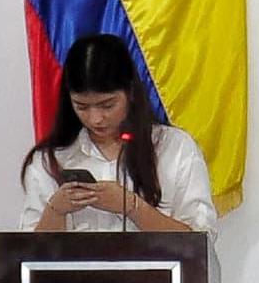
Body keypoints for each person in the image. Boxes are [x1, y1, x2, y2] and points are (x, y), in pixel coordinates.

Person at [16, 31, 219, 233]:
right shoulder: (50, 159)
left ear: (130, 92)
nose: (95, 118)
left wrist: (133, 207)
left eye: (107, 105)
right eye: (82, 106)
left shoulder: (174, 148)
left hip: (157, 266)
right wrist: (56, 210)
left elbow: (200, 240)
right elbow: (27, 254)